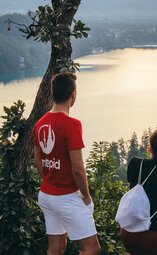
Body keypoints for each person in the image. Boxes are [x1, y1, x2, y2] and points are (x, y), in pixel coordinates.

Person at [33, 72, 101, 255]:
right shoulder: (72, 124)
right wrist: (87, 197)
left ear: (52, 93)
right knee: (92, 248)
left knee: (56, 248)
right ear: (73, 95)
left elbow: (38, 161)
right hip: (67, 197)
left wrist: (50, 179)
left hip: (46, 195)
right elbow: (78, 169)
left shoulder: (40, 123)